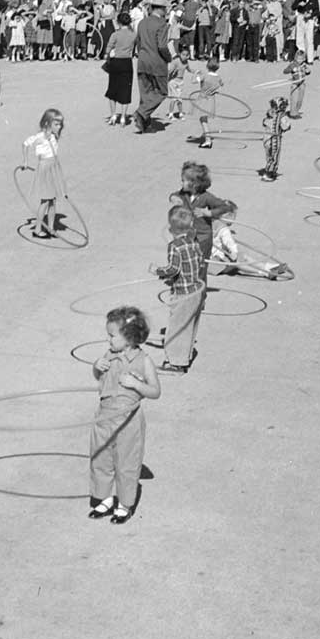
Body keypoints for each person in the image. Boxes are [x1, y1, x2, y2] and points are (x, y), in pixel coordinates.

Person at [88, 306, 161, 524]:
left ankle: (124, 504)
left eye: (112, 336)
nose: (108, 340)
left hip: (128, 421)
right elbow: (98, 377)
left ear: (129, 338)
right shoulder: (109, 355)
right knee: (100, 459)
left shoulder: (143, 361)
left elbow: (155, 391)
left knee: (126, 463)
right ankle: (104, 498)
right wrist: (96, 367)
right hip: (104, 417)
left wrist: (136, 384)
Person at [154, 205, 205, 375]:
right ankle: (184, 358)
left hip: (183, 293)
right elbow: (199, 261)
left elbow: (173, 269)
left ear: (171, 228)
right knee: (189, 326)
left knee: (177, 327)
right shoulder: (193, 242)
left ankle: (175, 364)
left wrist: (157, 271)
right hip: (196, 291)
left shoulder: (174, 246)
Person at [169, 161, 233, 260]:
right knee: (187, 257)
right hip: (188, 234)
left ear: (194, 184)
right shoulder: (184, 193)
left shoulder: (206, 197)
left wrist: (209, 213)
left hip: (203, 237)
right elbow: (174, 194)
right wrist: (173, 198)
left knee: (201, 261)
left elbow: (224, 207)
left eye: (183, 181)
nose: (181, 183)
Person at [20, 109, 66, 240]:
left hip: (53, 168)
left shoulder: (53, 136)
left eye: (60, 124)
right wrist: (25, 161)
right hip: (45, 169)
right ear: (47, 123)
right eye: (56, 124)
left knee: (53, 200)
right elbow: (25, 144)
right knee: (45, 201)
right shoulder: (40, 137)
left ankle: (50, 228)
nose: (59, 127)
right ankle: (37, 229)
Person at [132, 0, 173, 132]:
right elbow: (162, 46)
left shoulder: (142, 22)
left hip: (142, 60)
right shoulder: (162, 24)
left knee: (145, 94)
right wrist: (169, 58)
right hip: (157, 62)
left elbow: (138, 42)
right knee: (162, 92)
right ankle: (141, 113)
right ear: (161, 8)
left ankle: (144, 124)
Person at [103, 12, 135, 125]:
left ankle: (113, 115)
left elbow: (108, 48)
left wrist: (107, 55)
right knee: (126, 89)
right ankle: (123, 116)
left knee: (113, 88)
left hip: (116, 61)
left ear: (118, 22)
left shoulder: (115, 34)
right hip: (127, 62)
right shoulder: (133, 35)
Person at [258, 97, 292, 182]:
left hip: (266, 138)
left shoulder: (269, 114)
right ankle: (269, 173)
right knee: (274, 155)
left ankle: (269, 168)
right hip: (275, 139)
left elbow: (264, 123)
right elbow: (285, 127)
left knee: (268, 154)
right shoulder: (282, 116)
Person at [193, 57, 223, 149]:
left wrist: (195, 74)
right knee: (204, 119)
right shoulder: (218, 77)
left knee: (203, 120)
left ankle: (208, 140)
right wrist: (214, 90)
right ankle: (206, 134)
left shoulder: (204, 76)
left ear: (207, 66)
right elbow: (221, 84)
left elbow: (193, 81)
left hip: (203, 99)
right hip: (211, 100)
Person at [282, 53, 309, 119]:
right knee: (294, 99)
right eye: (298, 59)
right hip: (295, 84)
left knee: (300, 99)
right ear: (295, 58)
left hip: (302, 84)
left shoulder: (304, 65)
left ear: (304, 59)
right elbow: (285, 71)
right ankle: (292, 113)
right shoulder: (292, 64)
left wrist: (308, 71)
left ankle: (296, 111)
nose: (299, 60)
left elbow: (307, 72)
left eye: (301, 59)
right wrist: (291, 69)